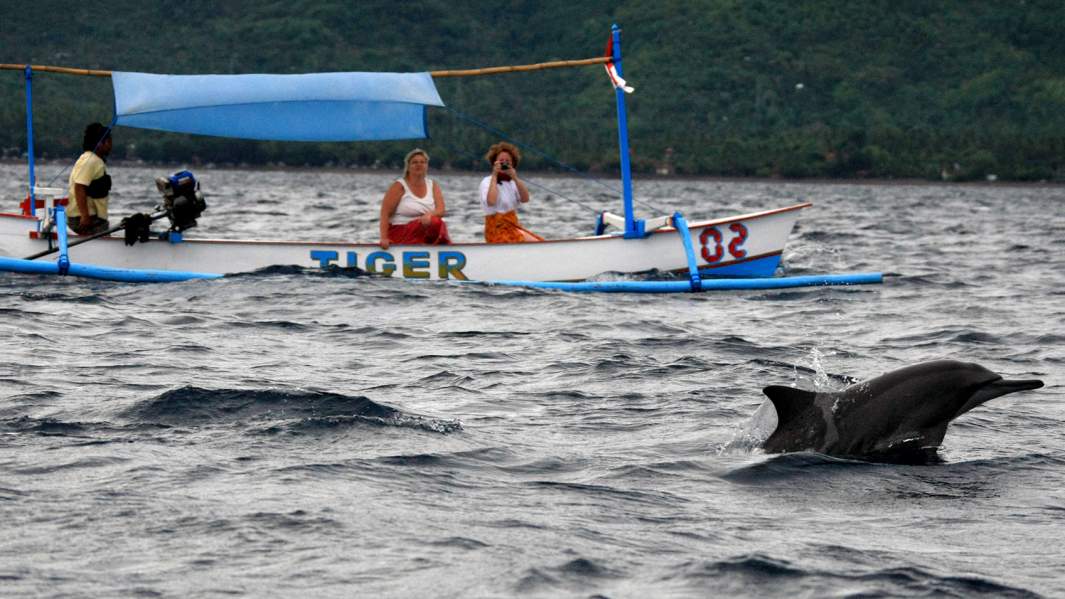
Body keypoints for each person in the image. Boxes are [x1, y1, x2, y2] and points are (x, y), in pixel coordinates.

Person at [378, 148, 450, 249]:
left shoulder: (432, 185)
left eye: (422, 162)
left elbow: (441, 210)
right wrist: (383, 238)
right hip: (400, 231)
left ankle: (442, 248)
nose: (419, 165)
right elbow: (384, 214)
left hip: (424, 230)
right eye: (414, 162)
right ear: (408, 167)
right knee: (434, 222)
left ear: (427, 166)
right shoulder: (399, 186)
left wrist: (429, 215)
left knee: (437, 222)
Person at [479, 141, 543, 243]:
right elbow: (491, 201)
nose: (504, 163)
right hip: (496, 229)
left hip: (513, 226)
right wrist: (495, 175)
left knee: (539, 242)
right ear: (494, 162)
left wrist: (515, 177)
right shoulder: (487, 181)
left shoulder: (513, 183)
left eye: (507, 161)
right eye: (501, 161)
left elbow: (525, 199)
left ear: (513, 164)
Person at [67, 122, 113, 235]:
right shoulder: (91, 161)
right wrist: (85, 216)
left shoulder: (92, 160)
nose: (111, 145)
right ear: (99, 144)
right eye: (108, 142)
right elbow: (79, 187)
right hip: (89, 220)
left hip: (92, 218)